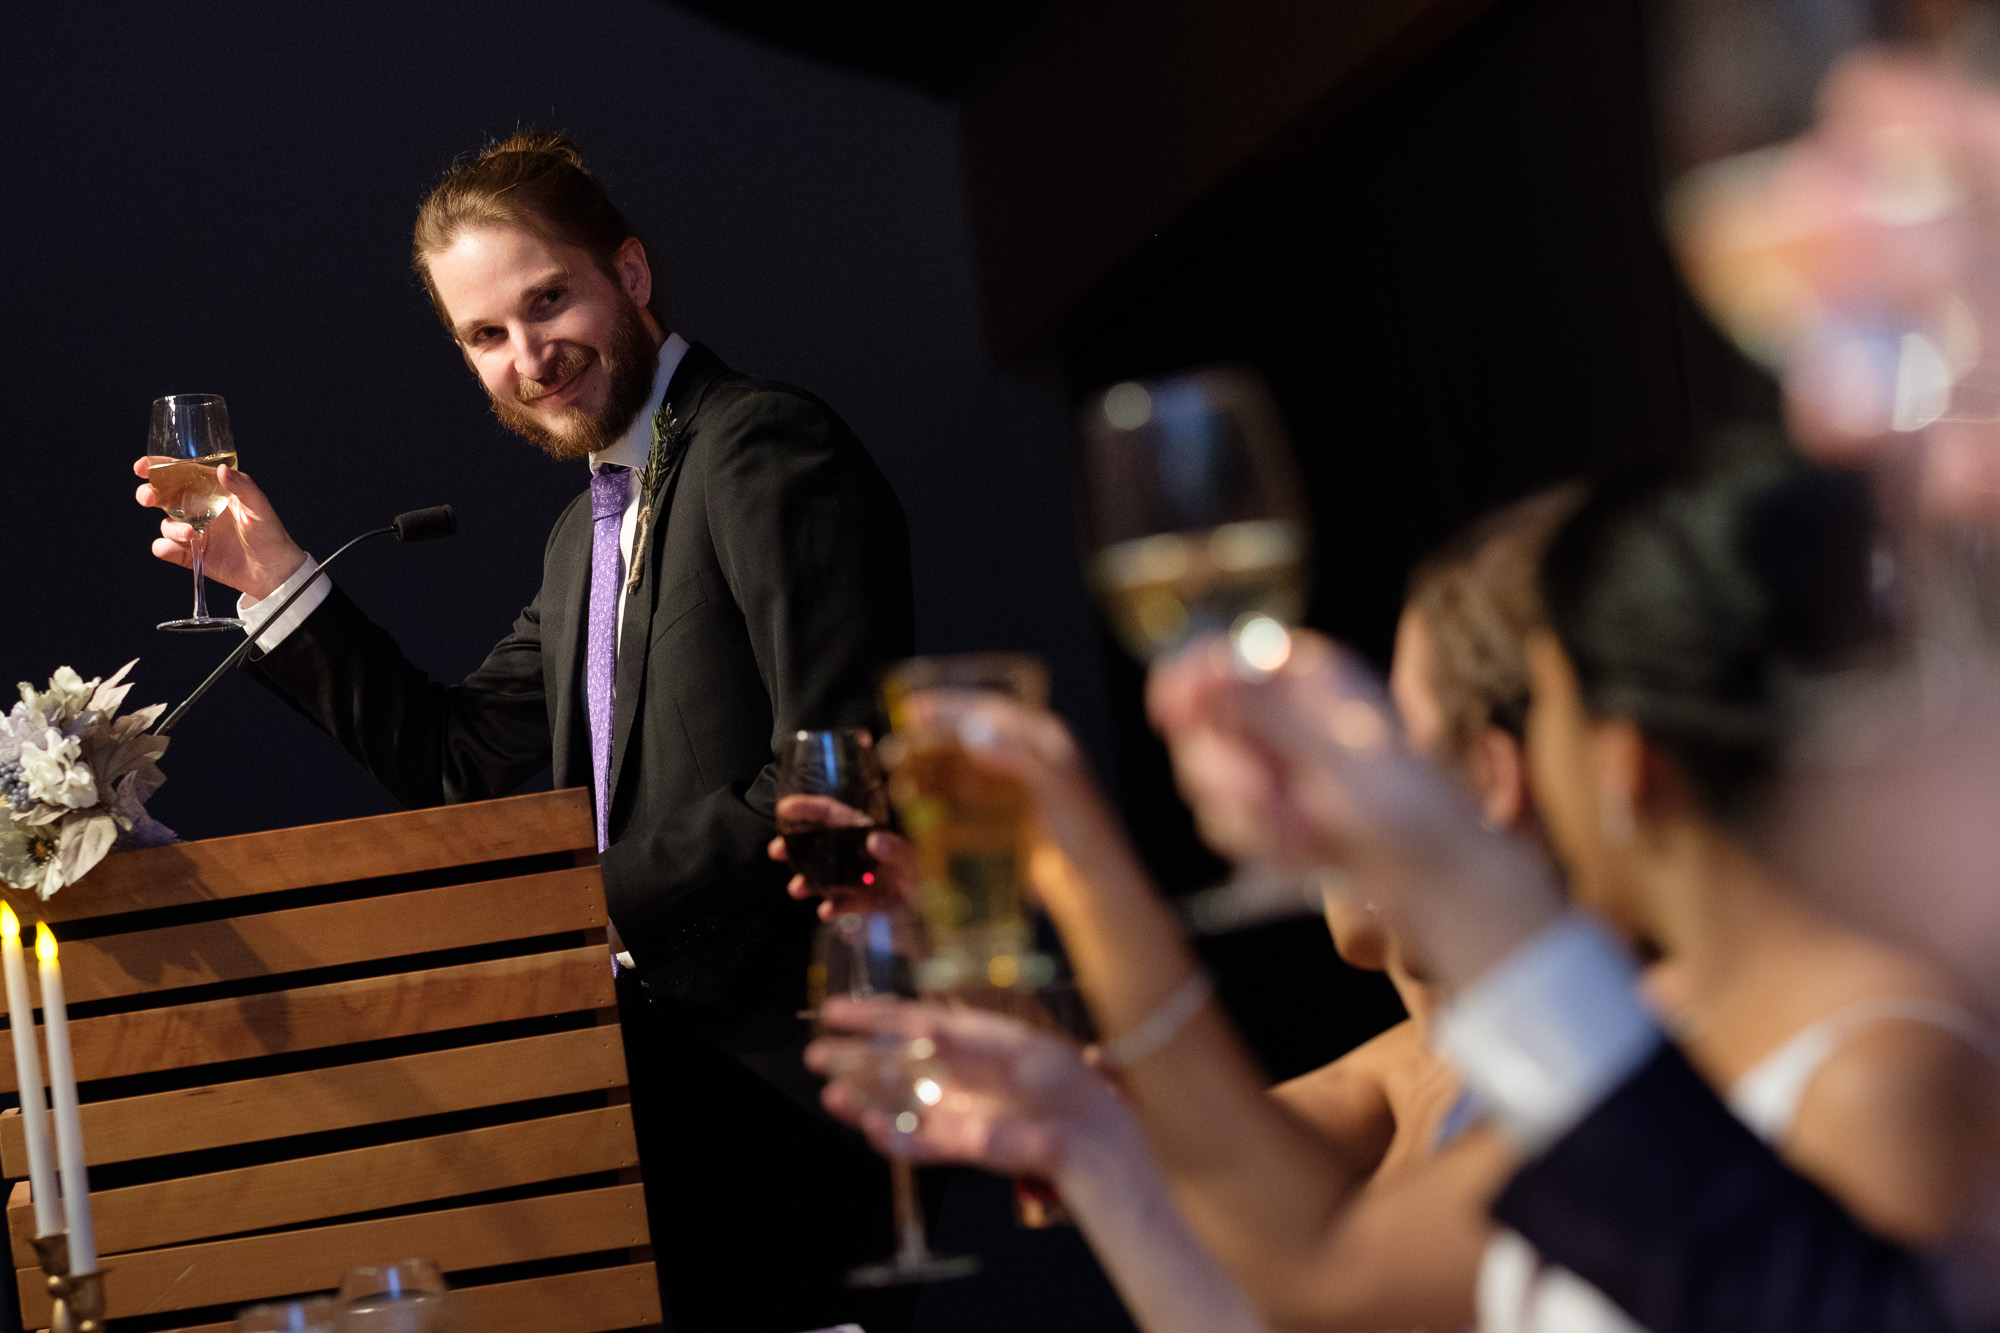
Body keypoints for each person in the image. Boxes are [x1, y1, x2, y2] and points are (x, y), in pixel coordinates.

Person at [134, 133, 917, 1333]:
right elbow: (458, 760)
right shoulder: (583, 534)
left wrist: (576, 906)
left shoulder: (759, 445)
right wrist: (275, 579)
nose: (528, 358)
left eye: (548, 300)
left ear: (632, 274)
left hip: (790, 1101)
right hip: (650, 1113)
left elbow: (832, 780)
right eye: (485, 336)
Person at [811, 486, 1579, 1331]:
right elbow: (1154, 1149)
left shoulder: (1640, 1060)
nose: (1340, 765)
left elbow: (1307, 1257)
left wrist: (1087, 870)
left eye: (1389, 731)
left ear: (1499, 779)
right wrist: (948, 942)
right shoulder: (1408, 1070)